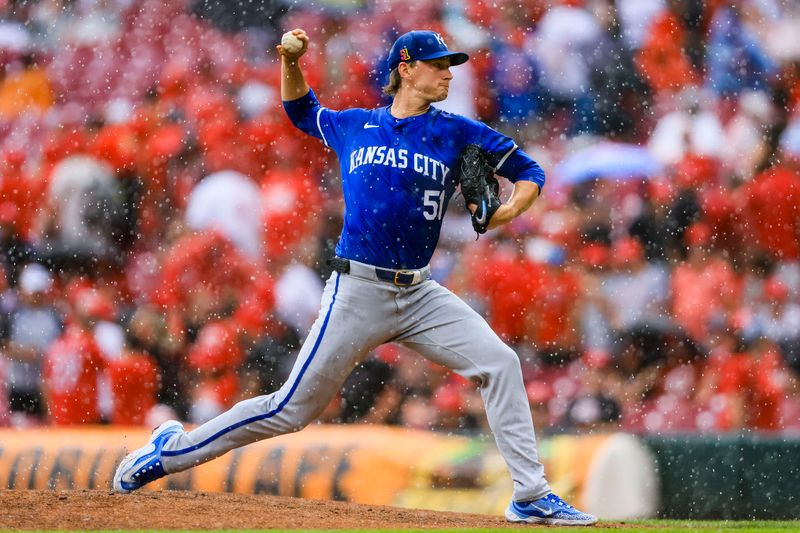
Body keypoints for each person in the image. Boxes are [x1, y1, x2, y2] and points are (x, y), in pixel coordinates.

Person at [113, 29, 597, 526]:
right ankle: (171, 451)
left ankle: (531, 494)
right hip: (358, 289)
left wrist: (506, 212)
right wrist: (291, 62)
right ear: (405, 69)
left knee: (500, 363)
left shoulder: (457, 132)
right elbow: (302, 111)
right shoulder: (356, 125)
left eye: (450, 66)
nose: (449, 73)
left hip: (420, 292)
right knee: (290, 410)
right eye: (438, 64)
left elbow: (530, 170)